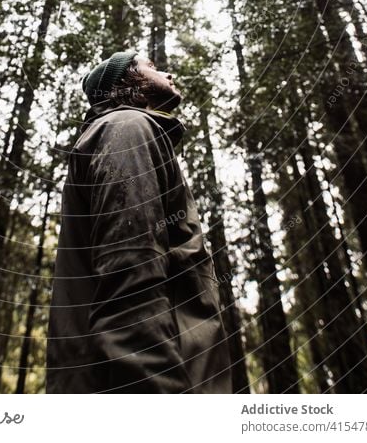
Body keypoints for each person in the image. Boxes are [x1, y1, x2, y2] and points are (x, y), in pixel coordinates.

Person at [45, 49, 232, 393]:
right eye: (152, 66)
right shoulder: (125, 128)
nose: (169, 74)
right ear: (126, 80)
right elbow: (130, 271)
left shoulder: (129, 131)